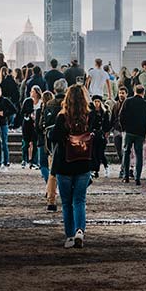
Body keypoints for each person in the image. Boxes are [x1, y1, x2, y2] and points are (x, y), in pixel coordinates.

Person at [49, 85, 94, 249]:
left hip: (64, 164)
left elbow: (54, 137)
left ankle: (69, 236)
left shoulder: (62, 117)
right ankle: (80, 230)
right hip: (83, 163)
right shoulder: (90, 116)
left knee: (67, 202)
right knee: (80, 200)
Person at [38, 84, 65, 211]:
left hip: (51, 139)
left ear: (55, 90)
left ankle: (51, 199)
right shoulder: (68, 103)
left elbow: (41, 123)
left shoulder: (48, 104)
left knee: (52, 169)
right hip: (67, 139)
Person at [120, 84, 146, 185]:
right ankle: (137, 177)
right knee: (139, 155)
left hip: (129, 131)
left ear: (134, 91)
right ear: (143, 92)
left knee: (126, 153)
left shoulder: (128, 101)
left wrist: (124, 128)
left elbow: (121, 116)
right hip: (140, 133)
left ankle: (126, 176)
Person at [16, 86, 42, 167]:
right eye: (31, 91)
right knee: (25, 143)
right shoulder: (27, 101)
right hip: (27, 124)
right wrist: (30, 114)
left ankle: (34, 161)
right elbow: (22, 111)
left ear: (37, 93)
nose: (31, 93)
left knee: (35, 142)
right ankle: (25, 159)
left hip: (36, 124)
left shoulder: (41, 102)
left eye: (33, 91)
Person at [90, 95, 111, 178]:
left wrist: (106, 132)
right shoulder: (91, 113)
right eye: (95, 102)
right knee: (93, 152)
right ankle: (95, 170)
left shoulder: (104, 113)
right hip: (93, 134)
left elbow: (107, 124)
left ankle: (106, 167)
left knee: (101, 153)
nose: (97, 103)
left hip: (101, 135)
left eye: (98, 101)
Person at [111, 86, 129, 178]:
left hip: (126, 130)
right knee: (119, 151)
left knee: (124, 150)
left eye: (123, 93)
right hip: (117, 130)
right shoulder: (116, 105)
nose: (121, 95)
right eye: (120, 93)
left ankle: (123, 169)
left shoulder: (129, 104)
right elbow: (113, 118)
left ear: (126, 94)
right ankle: (125, 167)